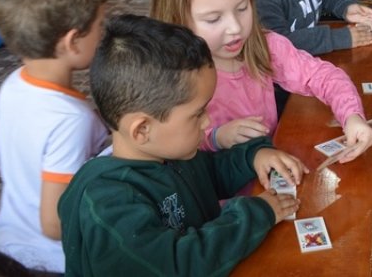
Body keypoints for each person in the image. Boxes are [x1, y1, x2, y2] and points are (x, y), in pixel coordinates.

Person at [58, 14, 306, 277]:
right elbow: (179, 265)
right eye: (197, 114)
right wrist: (256, 214)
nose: (208, 120)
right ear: (142, 129)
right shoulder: (108, 207)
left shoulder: (170, 152)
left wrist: (253, 156)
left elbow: (210, 173)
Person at [151, 0, 372, 156]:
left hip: (273, 175)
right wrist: (216, 138)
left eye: (242, 8)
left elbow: (324, 76)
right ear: (177, 19)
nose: (235, 28)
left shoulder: (266, 46)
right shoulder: (168, 76)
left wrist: (352, 116)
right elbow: (162, 145)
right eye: (213, 19)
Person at [0, 0, 115, 273]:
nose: (104, 32)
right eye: (100, 24)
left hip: (9, 244)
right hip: (53, 261)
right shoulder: (68, 120)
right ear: (73, 41)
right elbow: (55, 222)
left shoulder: (14, 84)